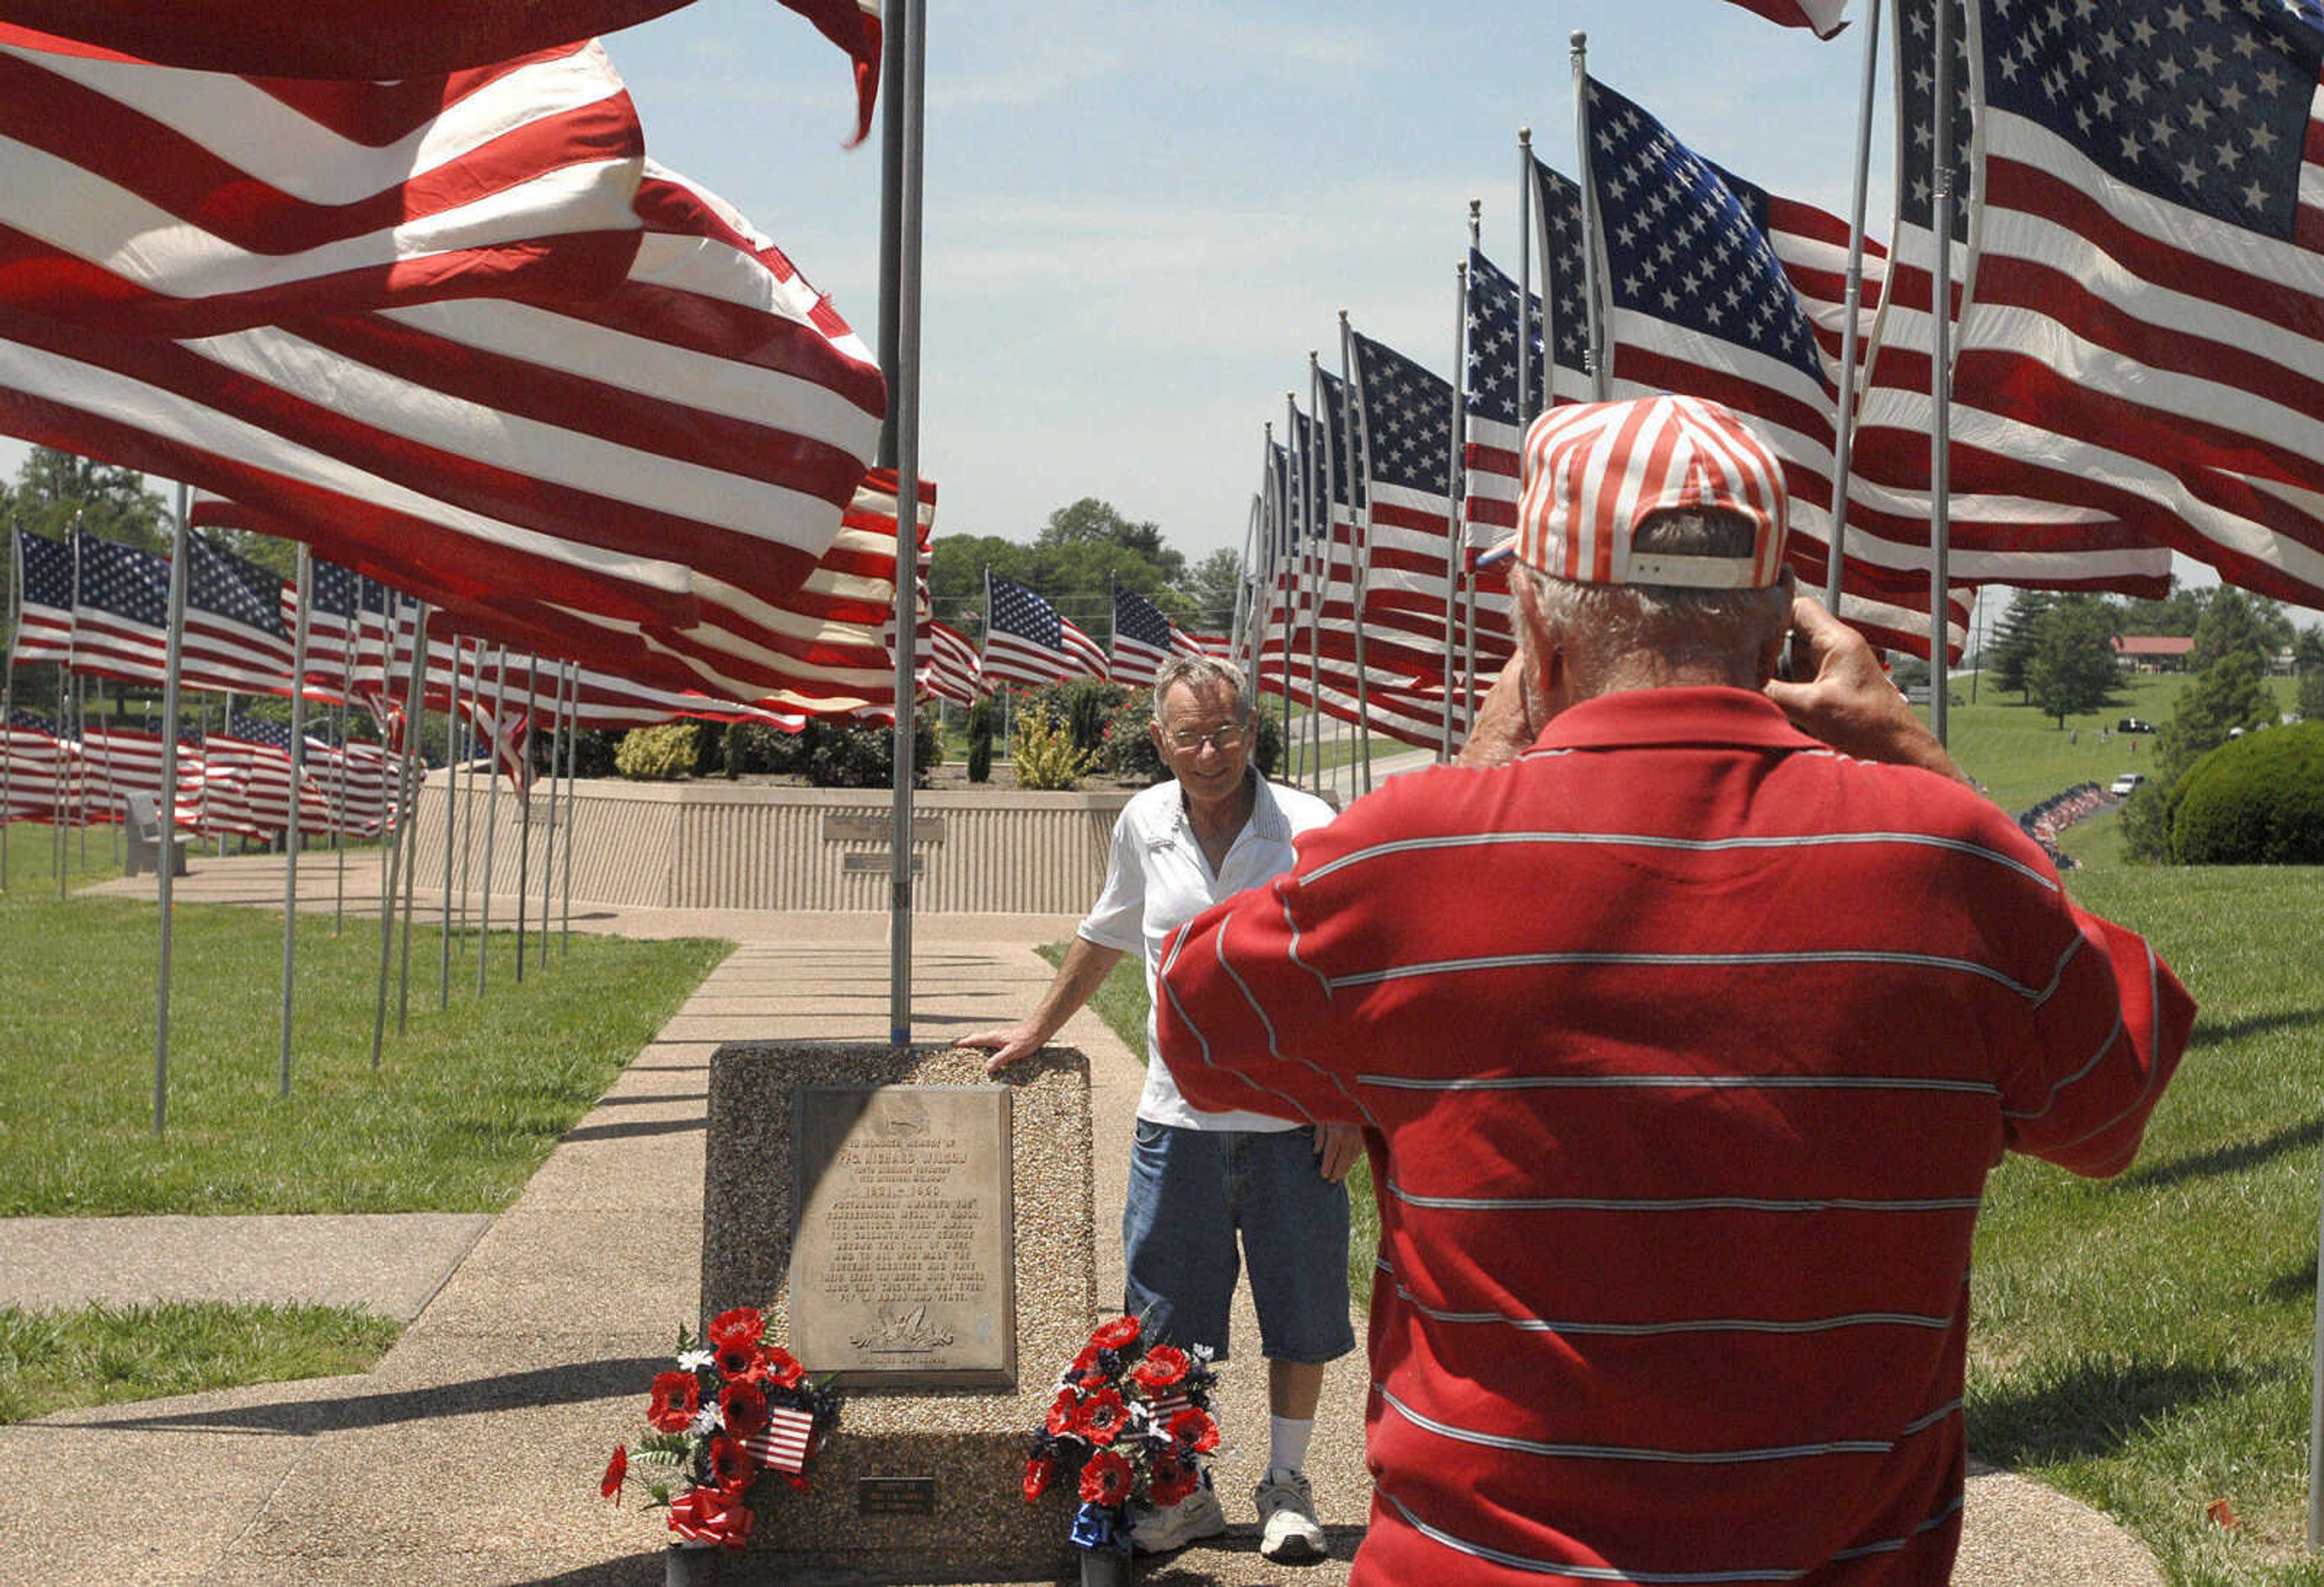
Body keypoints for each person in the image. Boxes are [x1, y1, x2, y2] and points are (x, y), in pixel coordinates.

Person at [1149, 394, 2194, 1585]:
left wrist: (1482, 770)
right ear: (1784, 640)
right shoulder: (1947, 861)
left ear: (1537, 635)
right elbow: (2109, 1102)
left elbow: (1194, 1029)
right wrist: (1920, 764)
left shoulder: (1414, 863)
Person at [961, 653, 1360, 1565]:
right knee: (1167, 1319)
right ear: (1160, 740)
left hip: (1292, 1127)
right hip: (1175, 1123)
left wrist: (1347, 1094)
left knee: (1300, 1315)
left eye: (1225, 731)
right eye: (1190, 736)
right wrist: (1035, 1026)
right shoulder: (1143, 820)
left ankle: (1287, 1487)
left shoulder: (1310, 824)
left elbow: (1350, 963)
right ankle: (1183, 1490)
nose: (1210, 751)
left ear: (1252, 731)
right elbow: (1106, 932)